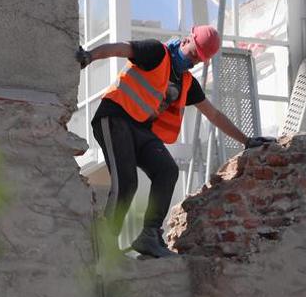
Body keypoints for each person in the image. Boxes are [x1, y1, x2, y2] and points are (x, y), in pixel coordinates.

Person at [76, 24, 269, 258]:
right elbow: (121, 49)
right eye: (193, 54)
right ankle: (105, 243)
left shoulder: (187, 83)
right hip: (115, 117)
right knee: (127, 183)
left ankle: (149, 235)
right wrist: (89, 56)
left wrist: (246, 140)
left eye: (199, 60)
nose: (193, 61)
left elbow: (214, 114)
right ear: (187, 40)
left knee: (167, 170)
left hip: (141, 128)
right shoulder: (156, 52)